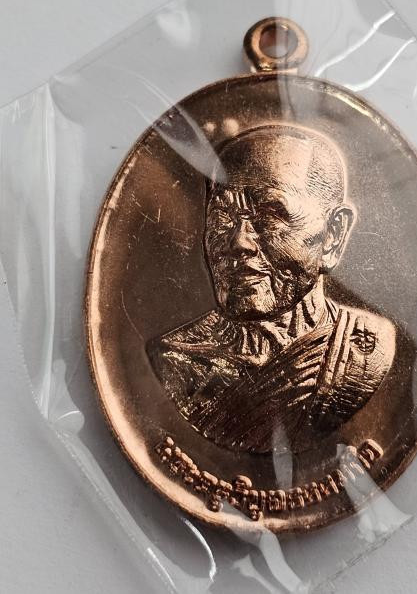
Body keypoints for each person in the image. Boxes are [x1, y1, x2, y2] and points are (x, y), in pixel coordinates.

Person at [147, 124, 396, 453]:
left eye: (269, 214)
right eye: (222, 215)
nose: (239, 242)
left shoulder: (366, 347)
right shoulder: (176, 360)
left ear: (334, 235)